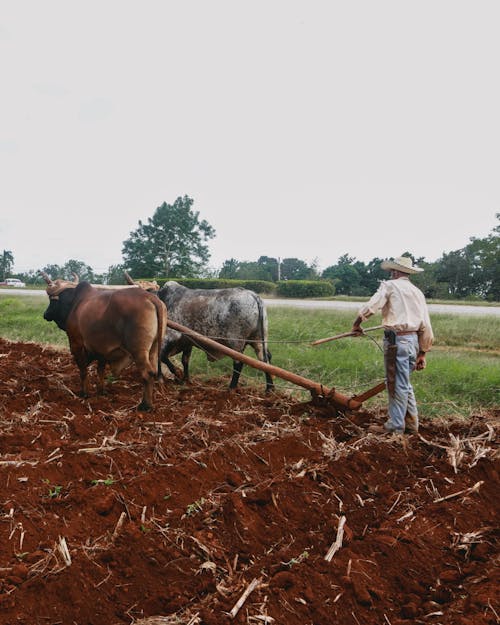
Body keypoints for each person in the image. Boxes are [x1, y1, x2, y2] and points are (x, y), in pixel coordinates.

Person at [351, 255, 434, 435]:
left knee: (395, 383)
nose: (390, 274)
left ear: (395, 271)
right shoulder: (417, 292)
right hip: (412, 341)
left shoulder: (390, 286)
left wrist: (357, 324)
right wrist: (423, 353)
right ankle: (411, 425)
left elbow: (372, 306)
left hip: (397, 341)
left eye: (391, 271)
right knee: (404, 383)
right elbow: (426, 323)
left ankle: (395, 427)